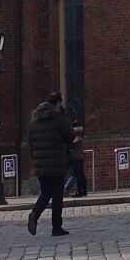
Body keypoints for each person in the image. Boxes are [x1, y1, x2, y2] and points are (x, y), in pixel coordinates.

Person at [25, 92, 79, 236]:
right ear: (58, 103)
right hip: (56, 162)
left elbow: (31, 145)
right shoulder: (58, 119)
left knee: (46, 193)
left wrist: (36, 160)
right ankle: (56, 227)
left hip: (40, 164)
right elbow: (70, 136)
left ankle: (35, 214)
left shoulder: (34, 122)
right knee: (57, 196)